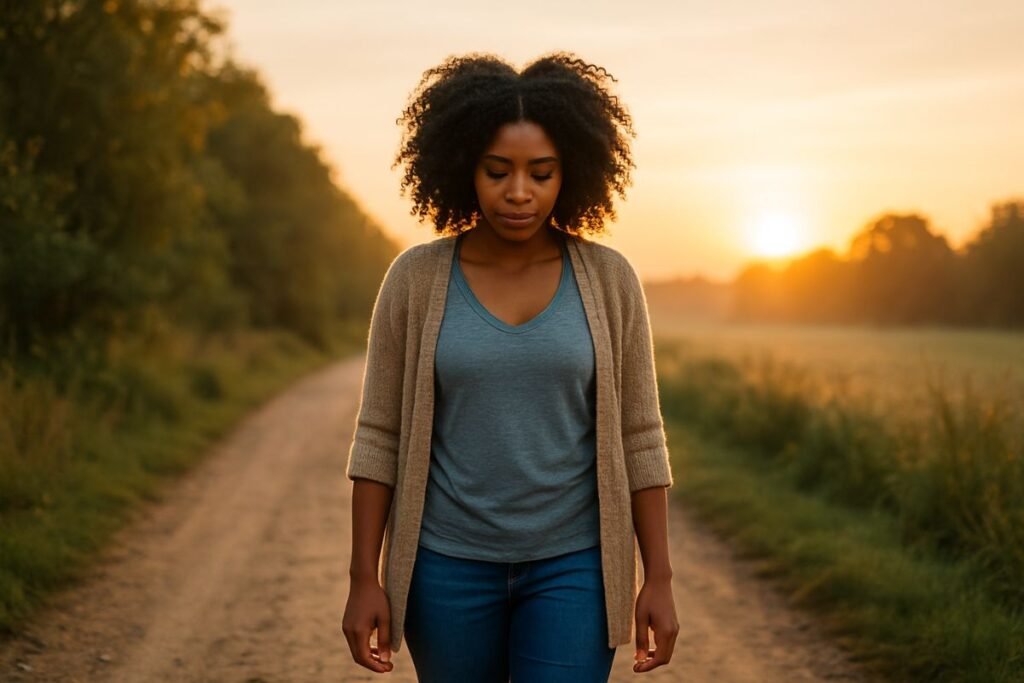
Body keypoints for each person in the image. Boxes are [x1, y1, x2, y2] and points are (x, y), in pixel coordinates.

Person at [342, 51, 678, 682]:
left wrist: (657, 577)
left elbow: (641, 437)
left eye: (541, 173)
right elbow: (379, 438)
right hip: (446, 568)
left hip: (574, 566)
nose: (519, 191)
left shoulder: (610, 281)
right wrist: (365, 578)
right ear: (463, 167)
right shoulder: (414, 280)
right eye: (497, 171)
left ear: (570, 174)